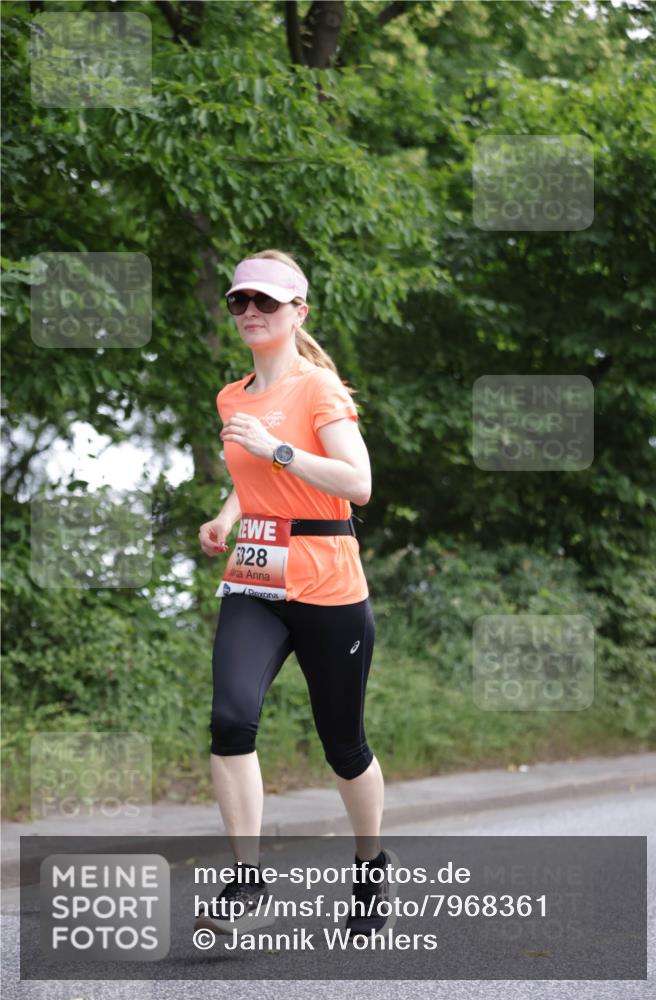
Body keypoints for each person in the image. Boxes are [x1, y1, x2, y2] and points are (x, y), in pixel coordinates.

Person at [195, 249, 398, 940]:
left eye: (265, 302)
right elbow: (251, 471)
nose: (250, 312)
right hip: (256, 577)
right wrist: (228, 515)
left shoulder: (318, 389)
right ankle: (246, 880)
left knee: (342, 743)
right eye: (239, 302)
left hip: (326, 579)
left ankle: (370, 865)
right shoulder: (232, 396)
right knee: (230, 719)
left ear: (296, 311)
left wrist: (278, 449)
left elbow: (357, 482)